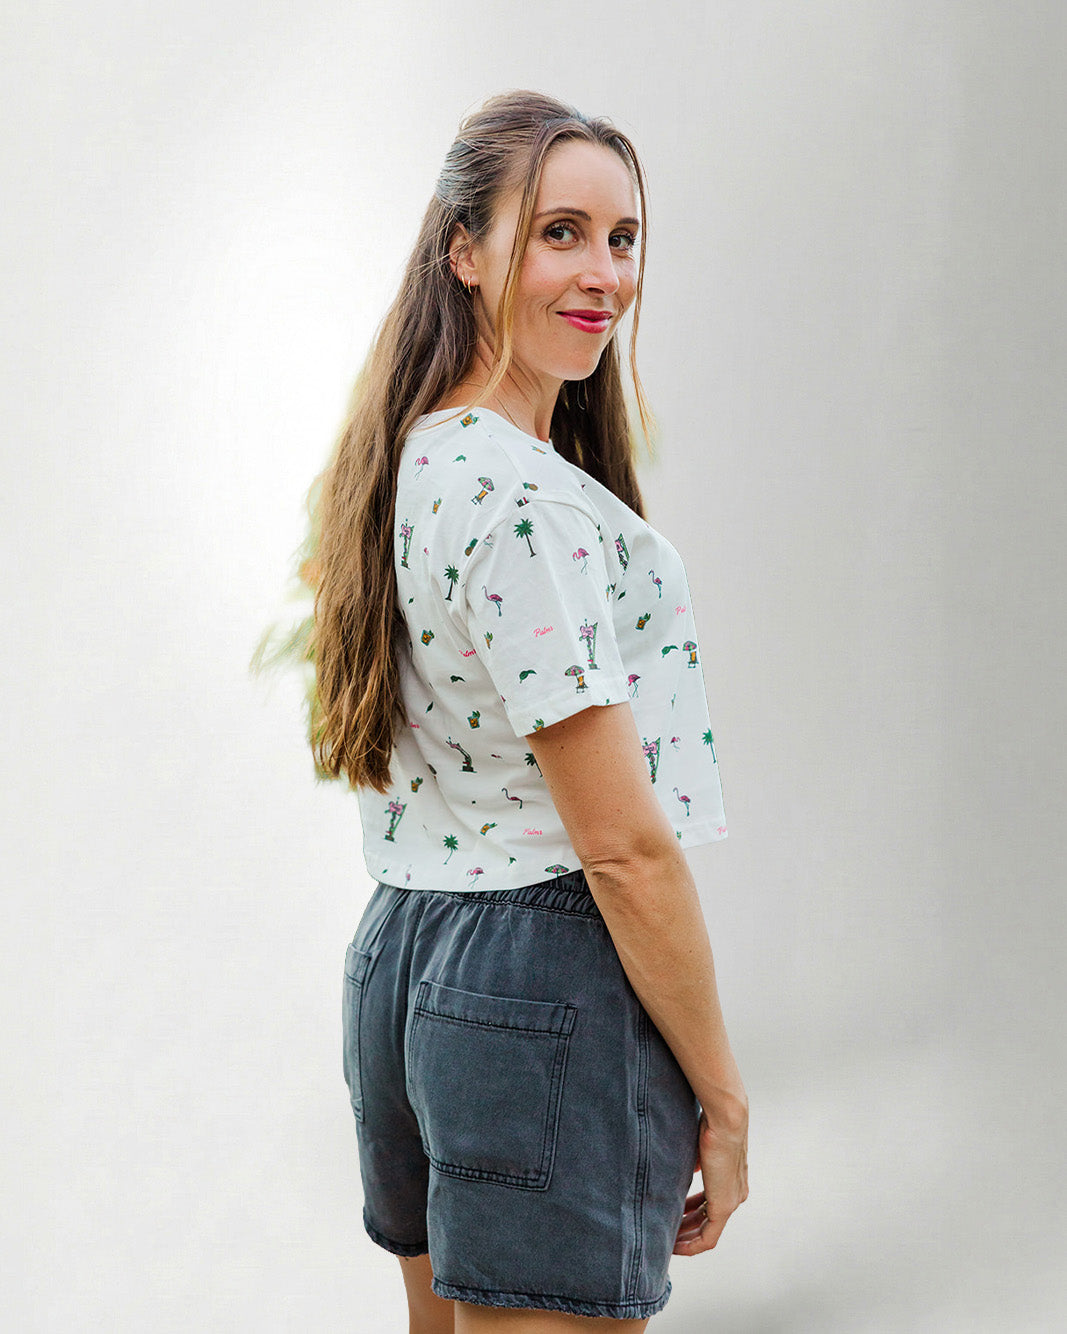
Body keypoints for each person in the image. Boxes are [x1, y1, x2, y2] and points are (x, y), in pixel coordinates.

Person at [310, 90, 748, 1332]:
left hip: (405, 956)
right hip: (538, 975)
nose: (602, 271)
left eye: (622, 238)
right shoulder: (527, 503)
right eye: (560, 230)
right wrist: (722, 1091)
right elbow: (619, 844)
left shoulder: (410, 460)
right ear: (465, 247)